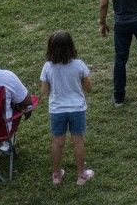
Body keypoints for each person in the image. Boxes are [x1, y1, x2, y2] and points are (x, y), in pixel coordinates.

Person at [40, 30, 93, 186]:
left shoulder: (48, 67)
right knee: (78, 141)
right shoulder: (79, 65)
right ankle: (81, 175)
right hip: (77, 108)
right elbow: (88, 87)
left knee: (58, 142)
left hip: (57, 110)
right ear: (71, 46)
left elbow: (44, 91)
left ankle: (56, 175)